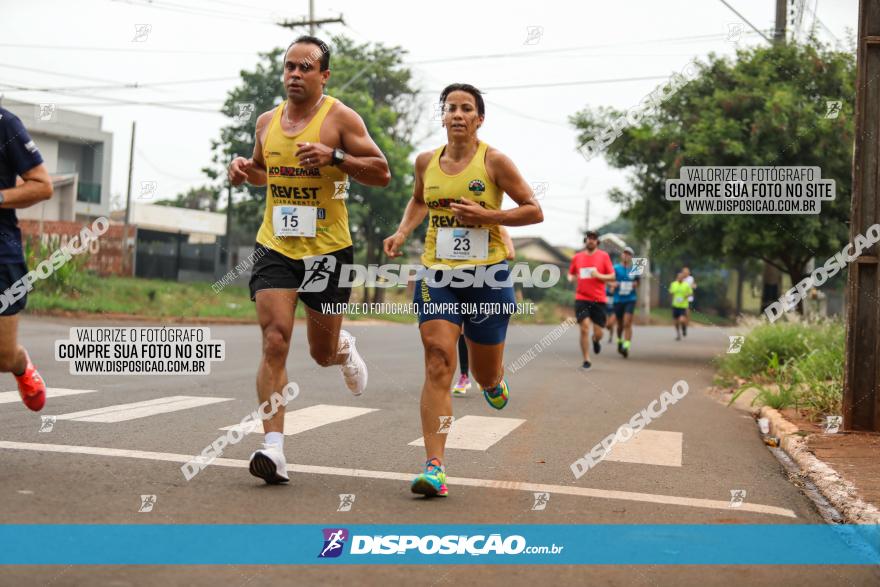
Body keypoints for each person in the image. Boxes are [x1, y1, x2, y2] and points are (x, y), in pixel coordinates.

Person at [227, 36, 391, 484]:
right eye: (289, 67)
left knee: (320, 352)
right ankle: (273, 449)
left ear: (324, 76)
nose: (295, 74)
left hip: (328, 250)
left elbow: (381, 172)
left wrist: (335, 156)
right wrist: (245, 170)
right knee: (275, 340)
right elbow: (264, 172)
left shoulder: (341, 118)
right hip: (276, 245)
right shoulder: (266, 122)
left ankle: (343, 349)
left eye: (305, 67)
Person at [384, 83, 542, 497]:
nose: (456, 114)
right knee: (439, 361)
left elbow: (533, 210)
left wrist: (490, 216)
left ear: (478, 119)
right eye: (450, 107)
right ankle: (435, 466)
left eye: (465, 108)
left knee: (487, 371)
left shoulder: (495, 161)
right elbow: (419, 200)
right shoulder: (425, 162)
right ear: (443, 116)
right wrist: (403, 232)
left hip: (488, 277)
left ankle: (492, 381)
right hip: (438, 274)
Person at [0, 106, 53, 412]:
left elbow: (42, 185)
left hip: (2, 253)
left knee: (3, 357)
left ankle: (21, 365)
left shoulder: (5, 124)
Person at [451, 226, 515, 396]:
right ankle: (464, 376)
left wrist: (484, 248)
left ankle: (490, 373)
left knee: (481, 341)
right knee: (462, 330)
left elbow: (511, 254)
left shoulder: (497, 227)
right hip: (458, 280)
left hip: (487, 283)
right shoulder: (452, 228)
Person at [567, 231, 614, 370]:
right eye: (589, 238)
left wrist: (598, 275)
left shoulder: (604, 256)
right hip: (582, 298)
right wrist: (570, 278)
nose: (591, 241)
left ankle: (596, 340)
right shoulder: (577, 257)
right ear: (585, 241)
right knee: (584, 328)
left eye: (594, 239)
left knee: (599, 332)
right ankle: (586, 359)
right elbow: (571, 273)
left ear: (597, 242)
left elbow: (612, 276)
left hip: (599, 299)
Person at [611, 246, 640, 358]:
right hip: (618, 300)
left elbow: (638, 283)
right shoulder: (615, 268)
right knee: (619, 325)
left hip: (630, 299)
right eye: (625, 253)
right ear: (621, 255)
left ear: (631, 257)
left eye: (629, 254)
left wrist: (635, 284)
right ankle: (619, 341)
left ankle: (626, 346)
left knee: (627, 323)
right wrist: (614, 285)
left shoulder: (635, 269)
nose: (626, 256)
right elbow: (610, 281)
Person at [669, 271, 693, 340]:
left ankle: (684, 328)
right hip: (675, 305)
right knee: (676, 322)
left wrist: (686, 296)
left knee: (682, 320)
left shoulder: (686, 285)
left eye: (681, 277)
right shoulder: (673, 284)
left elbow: (690, 293)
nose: (680, 278)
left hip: (683, 306)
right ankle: (678, 334)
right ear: (677, 278)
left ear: (683, 278)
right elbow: (671, 292)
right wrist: (672, 293)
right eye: (679, 277)